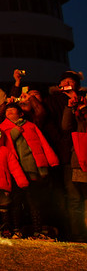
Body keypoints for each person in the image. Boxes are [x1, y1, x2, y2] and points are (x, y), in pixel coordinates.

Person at [0, 102, 58, 238]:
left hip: (31, 168)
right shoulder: (1, 128)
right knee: (16, 201)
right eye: (7, 111)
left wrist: (51, 161)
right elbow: (0, 145)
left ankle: (38, 230)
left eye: (13, 110)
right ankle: (16, 229)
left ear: (20, 114)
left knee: (34, 201)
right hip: (13, 170)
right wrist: (14, 133)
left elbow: (43, 143)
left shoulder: (30, 126)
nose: (9, 112)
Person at [61, 71, 87, 242]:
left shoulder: (84, 99)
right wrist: (70, 107)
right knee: (75, 199)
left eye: (71, 82)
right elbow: (66, 126)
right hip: (77, 157)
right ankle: (78, 235)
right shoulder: (63, 102)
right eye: (64, 83)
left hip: (82, 155)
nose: (68, 86)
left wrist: (82, 106)